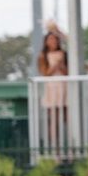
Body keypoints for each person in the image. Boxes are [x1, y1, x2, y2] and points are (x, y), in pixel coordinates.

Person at [37, 24, 69, 152]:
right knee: (54, 120)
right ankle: (55, 149)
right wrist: (55, 66)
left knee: (67, 118)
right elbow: (45, 73)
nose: (53, 42)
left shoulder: (64, 54)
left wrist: (61, 66)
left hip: (64, 88)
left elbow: (68, 72)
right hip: (52, 89)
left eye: (55, 39)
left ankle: (70, 146)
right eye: (50, 39)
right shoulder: (43, 56)